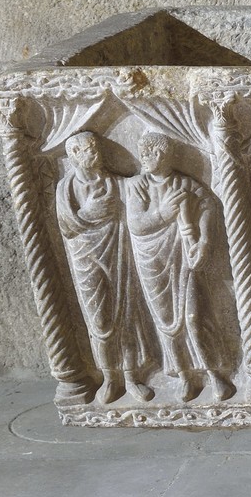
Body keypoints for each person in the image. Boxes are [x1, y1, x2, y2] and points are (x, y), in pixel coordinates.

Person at [124, 132, 234, 402]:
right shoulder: (137, 185)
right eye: (144, 154)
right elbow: (136, 223)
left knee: (195, 318)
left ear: (164, 155)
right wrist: (163, 213)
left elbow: (209, 204)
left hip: (184, 257)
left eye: (151, 153)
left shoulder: (183, 183)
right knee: (165, 324)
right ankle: (185, 376)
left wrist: (205, 239)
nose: (146, 159)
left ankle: (215, 374)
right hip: (153, 260)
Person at [56, 131, 153, 404]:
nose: (94, 152)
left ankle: (133, 377)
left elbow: (141, 197)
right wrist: (91, 213)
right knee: (98, 321)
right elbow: (68, 225)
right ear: (73, 155)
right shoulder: (65, 189)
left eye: (95, 147)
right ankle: (111, 378)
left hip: (119, 256)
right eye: (87, 149)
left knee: (127, 315)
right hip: (86, 261)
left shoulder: (117, 184)